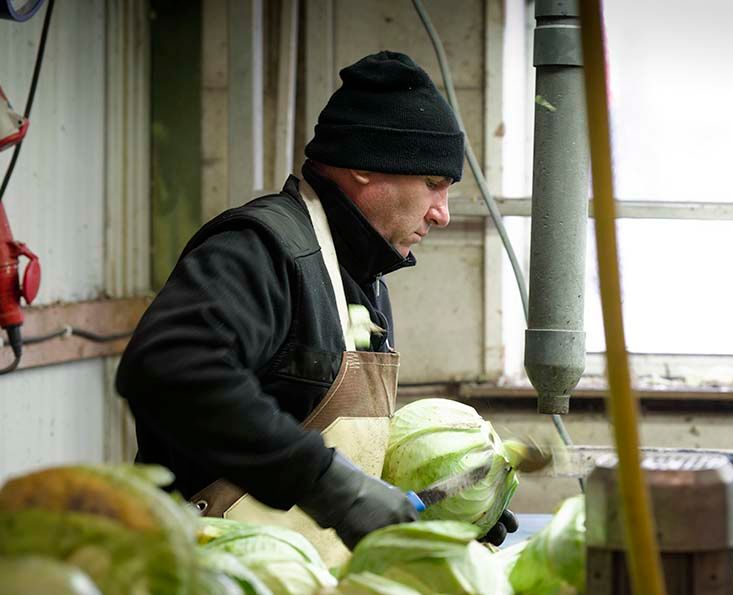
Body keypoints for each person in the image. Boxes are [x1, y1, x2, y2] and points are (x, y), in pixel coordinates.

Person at [117, 50, 516, 564]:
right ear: (365, 165)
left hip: (307, 593)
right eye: (433, 185)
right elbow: (169, 367)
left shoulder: (361, 277)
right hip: (212, 585)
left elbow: (334, 442)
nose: (441, 214)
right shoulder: (260, 251)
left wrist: (450, 500)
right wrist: (329, 485)